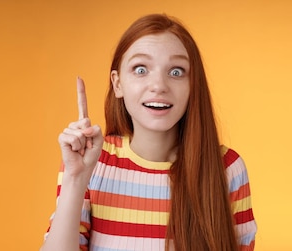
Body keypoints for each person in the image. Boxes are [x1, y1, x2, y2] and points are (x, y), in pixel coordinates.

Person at [40, 14, 257, 251]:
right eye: (141, 69)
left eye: (176, 72)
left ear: (193, 85)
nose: (159, 85)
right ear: (118, 83)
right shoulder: (91, 161)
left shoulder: (227, 168)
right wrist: (75, 178)